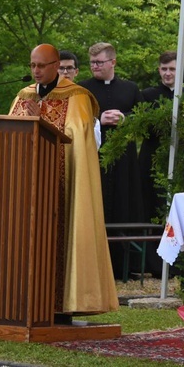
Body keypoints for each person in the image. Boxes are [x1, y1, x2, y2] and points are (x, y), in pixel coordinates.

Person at [9, 44, 118, 316]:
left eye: (42, 65)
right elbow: (10, 131)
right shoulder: (23, 95)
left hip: (64, 186)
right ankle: (25, 301)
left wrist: (41, 119)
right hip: (30, 185)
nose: (35, 70)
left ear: (57, 65)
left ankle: (65, 305)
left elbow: (76, 136)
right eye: (32, 65)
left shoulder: (78, 96)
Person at [79, 42, 143, 278]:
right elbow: (74, 121)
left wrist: (124, 119)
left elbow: (142, 118)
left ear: (113, 62)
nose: (95, 66)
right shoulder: (82, 89)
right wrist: (98, 120)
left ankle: (125, 266)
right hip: (94, 156)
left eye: (99, 62)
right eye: (92, 63)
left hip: (124, 160)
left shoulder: (130, 88)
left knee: (123, 205)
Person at [139, 51, 184, 276]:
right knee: (153, 206)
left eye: (172, 69)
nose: (167, 73)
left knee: (177, 208)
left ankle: (180, 263)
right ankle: (154, 265)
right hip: (152, 159)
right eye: (164, 69)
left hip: (180, 159)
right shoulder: (147, 95)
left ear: (179, 70)